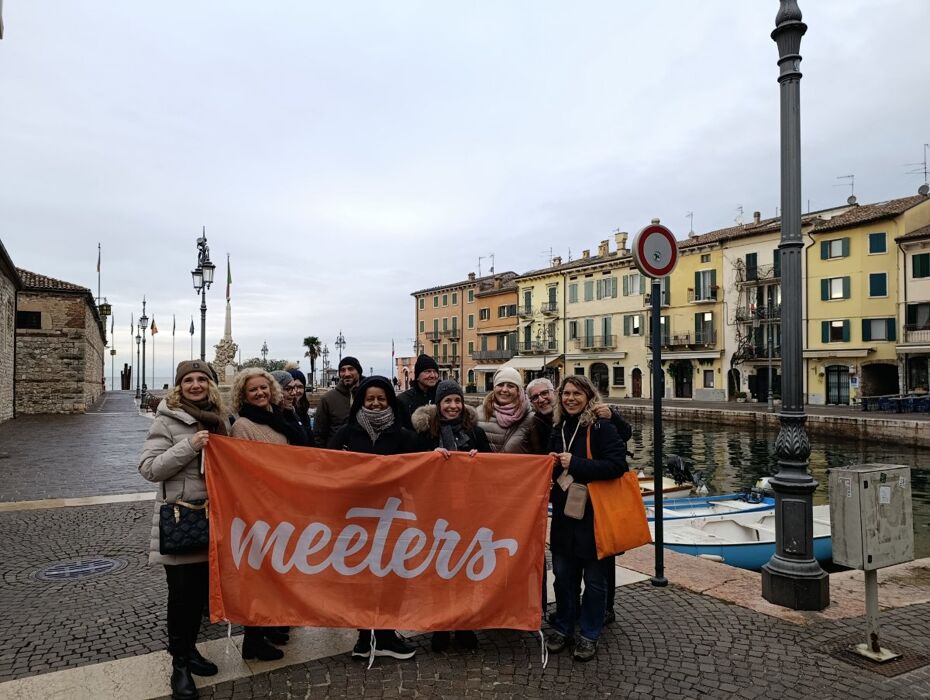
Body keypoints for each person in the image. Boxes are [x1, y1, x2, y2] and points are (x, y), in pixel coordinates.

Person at [139, 360, 227, 700]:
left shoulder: (221, 421)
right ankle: (179, 665)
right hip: (182, 521)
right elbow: (149, 468)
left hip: (214, 521)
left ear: (211, 385)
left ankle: (191, 651)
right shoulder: (167, 419)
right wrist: (188, 447)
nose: (195, 385)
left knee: (199, 597)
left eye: (201, 379)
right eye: (188, 380)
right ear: (179, 386)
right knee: (181, 597)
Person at [328, 376, 419, 661]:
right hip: (355, 519)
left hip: (393, 517)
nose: (376, 403)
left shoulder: (404, 435)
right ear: (361, 402)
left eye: (381, 399)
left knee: (393, 575)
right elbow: (325, 466)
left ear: (390, 401)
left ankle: (387, 634)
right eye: (370, 399)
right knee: (361, 577)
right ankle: (364, 636)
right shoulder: (345, 434)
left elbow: (424, 469)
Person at [229, 367, 309, 661]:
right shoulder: (243, 427)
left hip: (284, 507)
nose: (260, 393)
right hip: (259, 510)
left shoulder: (280, 418)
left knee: (278, 570)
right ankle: (253, 637)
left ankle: (272, 624)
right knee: (258, 574)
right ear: (243, 395)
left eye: (264, 388)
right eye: (253, 390)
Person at [546, 375, 627, 663]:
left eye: (576, 394)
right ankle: (563, 627)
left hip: (595, 519)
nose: (570, 398)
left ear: (589, 396)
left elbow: (618, 465)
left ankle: (589, 634)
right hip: (565, 519)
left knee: (594, 582)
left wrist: (575, 463)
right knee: (563, 579)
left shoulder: (602, 427)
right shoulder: (559, 427)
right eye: (566, 393)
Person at [411, 379, 491, 652]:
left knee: (466, 571)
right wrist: (429, 458)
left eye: (457, 401)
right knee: (439, 572)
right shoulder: (425, 434)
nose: (453, 406)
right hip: (436, 513)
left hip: (468, 512)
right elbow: (411, 468)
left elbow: (492, 469)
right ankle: (440, 626)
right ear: (438, 404)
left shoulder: (476, 433)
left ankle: (465, 625)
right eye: (448, 401)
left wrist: (479, 460)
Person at [476, 367, 538, 453]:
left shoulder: (531, 418)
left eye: (510, 386)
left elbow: (540, 453)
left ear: (518, 390)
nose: (504, 390)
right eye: (500, 385)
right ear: (494, 388)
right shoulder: (478, 414)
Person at [313, 356, 364, 445]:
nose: (347, 374)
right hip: (336, 455)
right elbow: (319, 435)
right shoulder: (327, 399)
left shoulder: (368, 395)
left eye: (351, 369)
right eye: (343, 370)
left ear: (358, 371)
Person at [271, 370, 315, 447]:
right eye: (288, 389)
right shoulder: (270, 418)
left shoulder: (293, 414)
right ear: (275, 391)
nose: (295, 392)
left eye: (300, 387)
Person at [396, 354, 440, 429]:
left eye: (435, 371)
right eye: (427, 371)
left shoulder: (441, 396)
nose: (433, 375)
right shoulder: (403, 400)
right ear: (417, 376)